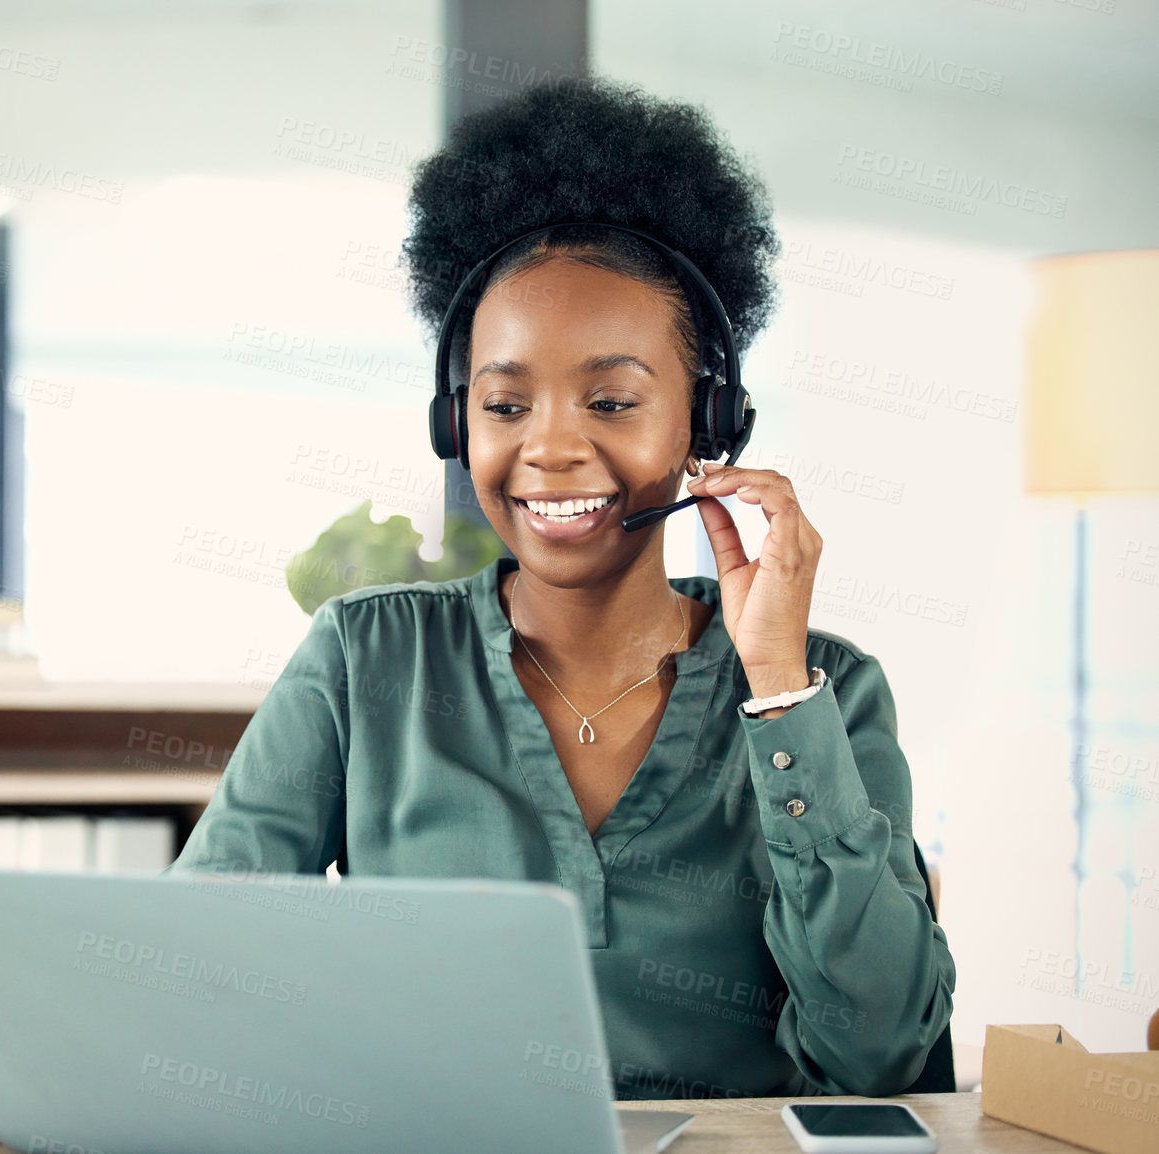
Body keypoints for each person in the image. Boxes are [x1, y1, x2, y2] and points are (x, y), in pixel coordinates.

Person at [169, 76, 955, 1100]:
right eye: (504, 402)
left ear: (706, 421)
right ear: (458, 424)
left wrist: (775, 688)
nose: (548, 448)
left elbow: (885, 1053)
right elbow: (193, 977)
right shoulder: (366, 660)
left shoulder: (827, 692)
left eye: (613, 399)